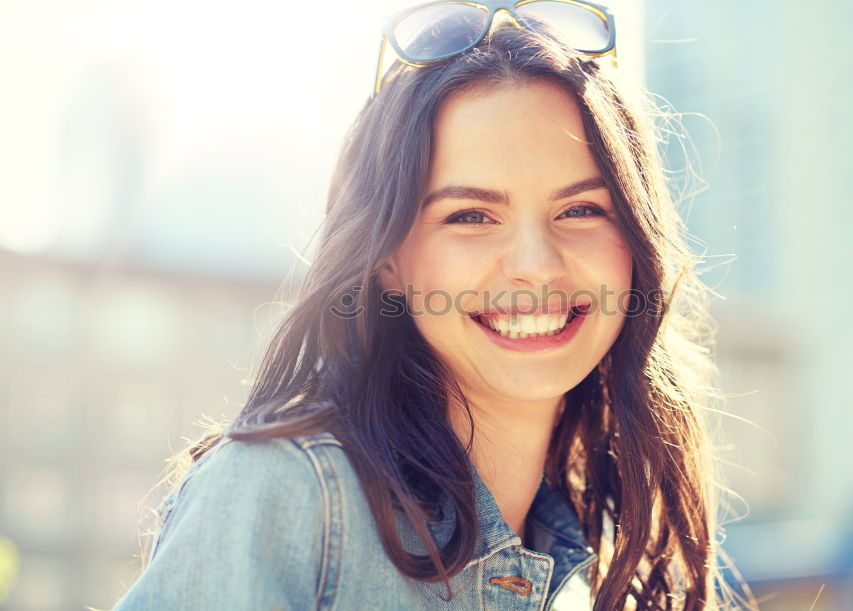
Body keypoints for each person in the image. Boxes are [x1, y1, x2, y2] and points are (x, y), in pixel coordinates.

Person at [110, 1, 756, 609]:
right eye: (472, 215)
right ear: (388, 257)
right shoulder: (289, 493)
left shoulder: (593, 568)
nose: (535, 263)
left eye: (581, 209)